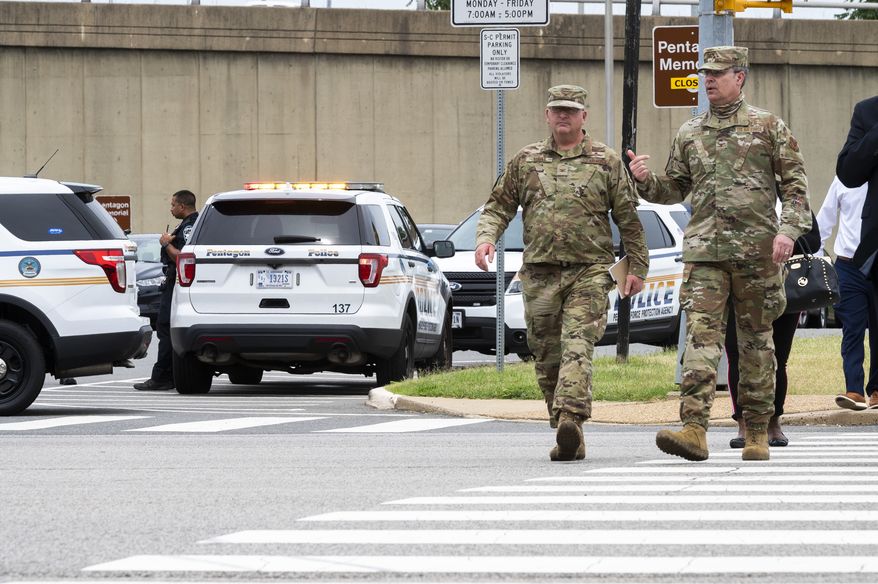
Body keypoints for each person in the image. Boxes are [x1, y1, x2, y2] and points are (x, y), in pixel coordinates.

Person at [627, 46, 811, 461]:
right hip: (705, 253)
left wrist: (787, 232)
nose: (708, 80)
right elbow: (673, 188)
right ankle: (694, 428)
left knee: (757, 344)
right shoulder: (690, 132)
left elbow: (797, 191)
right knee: (701, 339)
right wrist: (644, 180)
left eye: (718, 73)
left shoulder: (769, 127)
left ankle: (758, 432)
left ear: (739, 76)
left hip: (758, 255)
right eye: (705, 74)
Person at [474, 84, 649, 462]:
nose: (563, 116)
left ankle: (571, 416)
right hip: (539, 275)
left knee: (576, 346)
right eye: (557, 110)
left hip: (588, 272)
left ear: (584, 116)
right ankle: (567, 431)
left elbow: (629, 221)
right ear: (547, 115)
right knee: (546, 353)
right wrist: (485, 239)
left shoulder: (605, 161)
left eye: (571, 110)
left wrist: (637, 267)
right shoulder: (526, 160)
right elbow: (497, 207)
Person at [726, 212, 821, 449]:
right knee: (738, 355)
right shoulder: (738, 192)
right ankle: (743, 422)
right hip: (739, 283)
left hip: (784, 286)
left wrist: (785, 237)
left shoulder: (789, 197)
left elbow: (814, 240)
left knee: (778, 357)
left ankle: (774, 422)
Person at [818, 176, 878, 410]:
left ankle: (876, 390)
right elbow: (825, 218)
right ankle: (854, 390)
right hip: (848, 265)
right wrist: (814, 256)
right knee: (852, 329)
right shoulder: (845, 179)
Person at [133, 190, 199, 391]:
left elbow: (182, 257)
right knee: (167, 329)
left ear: (182, 206)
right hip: (175, 283)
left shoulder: (188, 227)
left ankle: (162, 377)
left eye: (173, 205)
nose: (171, 209)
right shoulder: (189, 224)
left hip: (177, 283)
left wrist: (165, 244)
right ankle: (168, 374)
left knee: (165, 327)